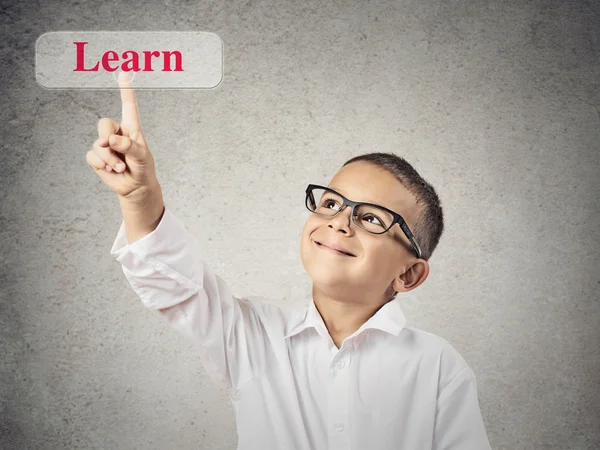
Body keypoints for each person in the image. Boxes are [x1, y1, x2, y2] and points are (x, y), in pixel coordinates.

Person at [88, 72, 492, 449]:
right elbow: (177, 285)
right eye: (332, 203)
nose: (339, 223)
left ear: (410, 274)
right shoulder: (253, 335)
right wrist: (140, 198)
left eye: (371, 218)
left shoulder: (438, 367)